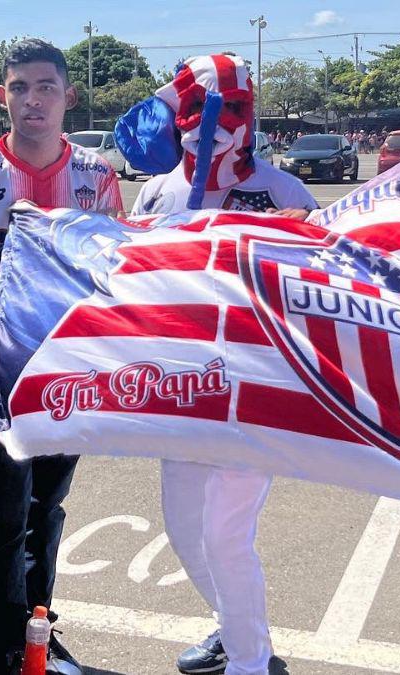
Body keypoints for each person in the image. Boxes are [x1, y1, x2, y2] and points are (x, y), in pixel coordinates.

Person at [0, 38, 121, 675]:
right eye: (18, 88)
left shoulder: (97, 175)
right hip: (0, 380)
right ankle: (5, 645)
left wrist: (105, 376)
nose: (31, 100)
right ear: (1, 94)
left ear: (68, 95)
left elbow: (110, 283)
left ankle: (40, 626)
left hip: (66, 374)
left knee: (48, 510)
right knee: (6, 516)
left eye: (45, 87)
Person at [115, 53, 316, 675]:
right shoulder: (157, 190)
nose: (213, 125)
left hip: (256, 387)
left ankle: (252, 663)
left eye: (230, 111)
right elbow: (135, 285)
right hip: (182, 384)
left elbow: (327, 279)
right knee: (185, 532)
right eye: (201, 110)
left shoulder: (282, 190)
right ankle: (235, 631)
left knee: (226, 534)